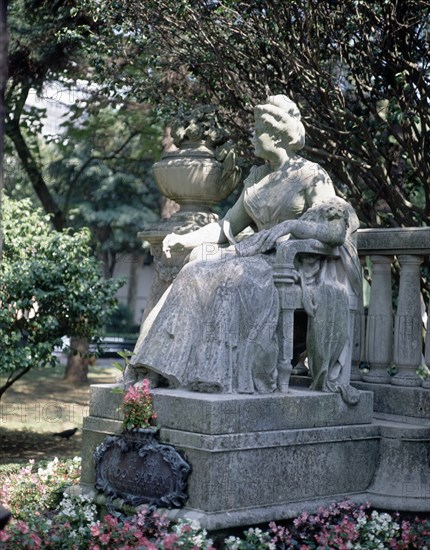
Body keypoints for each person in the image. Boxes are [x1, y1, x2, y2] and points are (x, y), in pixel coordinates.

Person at [125, 95, 361, 396]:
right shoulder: (257, 177)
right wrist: (185, 239)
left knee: (226, 279)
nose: (251, 136)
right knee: (193, 271)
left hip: (285, 264)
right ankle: (158, 367)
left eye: (255, 130)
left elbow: (335, 229)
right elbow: (225, 228)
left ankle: (213, 374)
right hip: (252, 254)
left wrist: (290, 227)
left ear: (274, 134)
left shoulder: (311, 176)